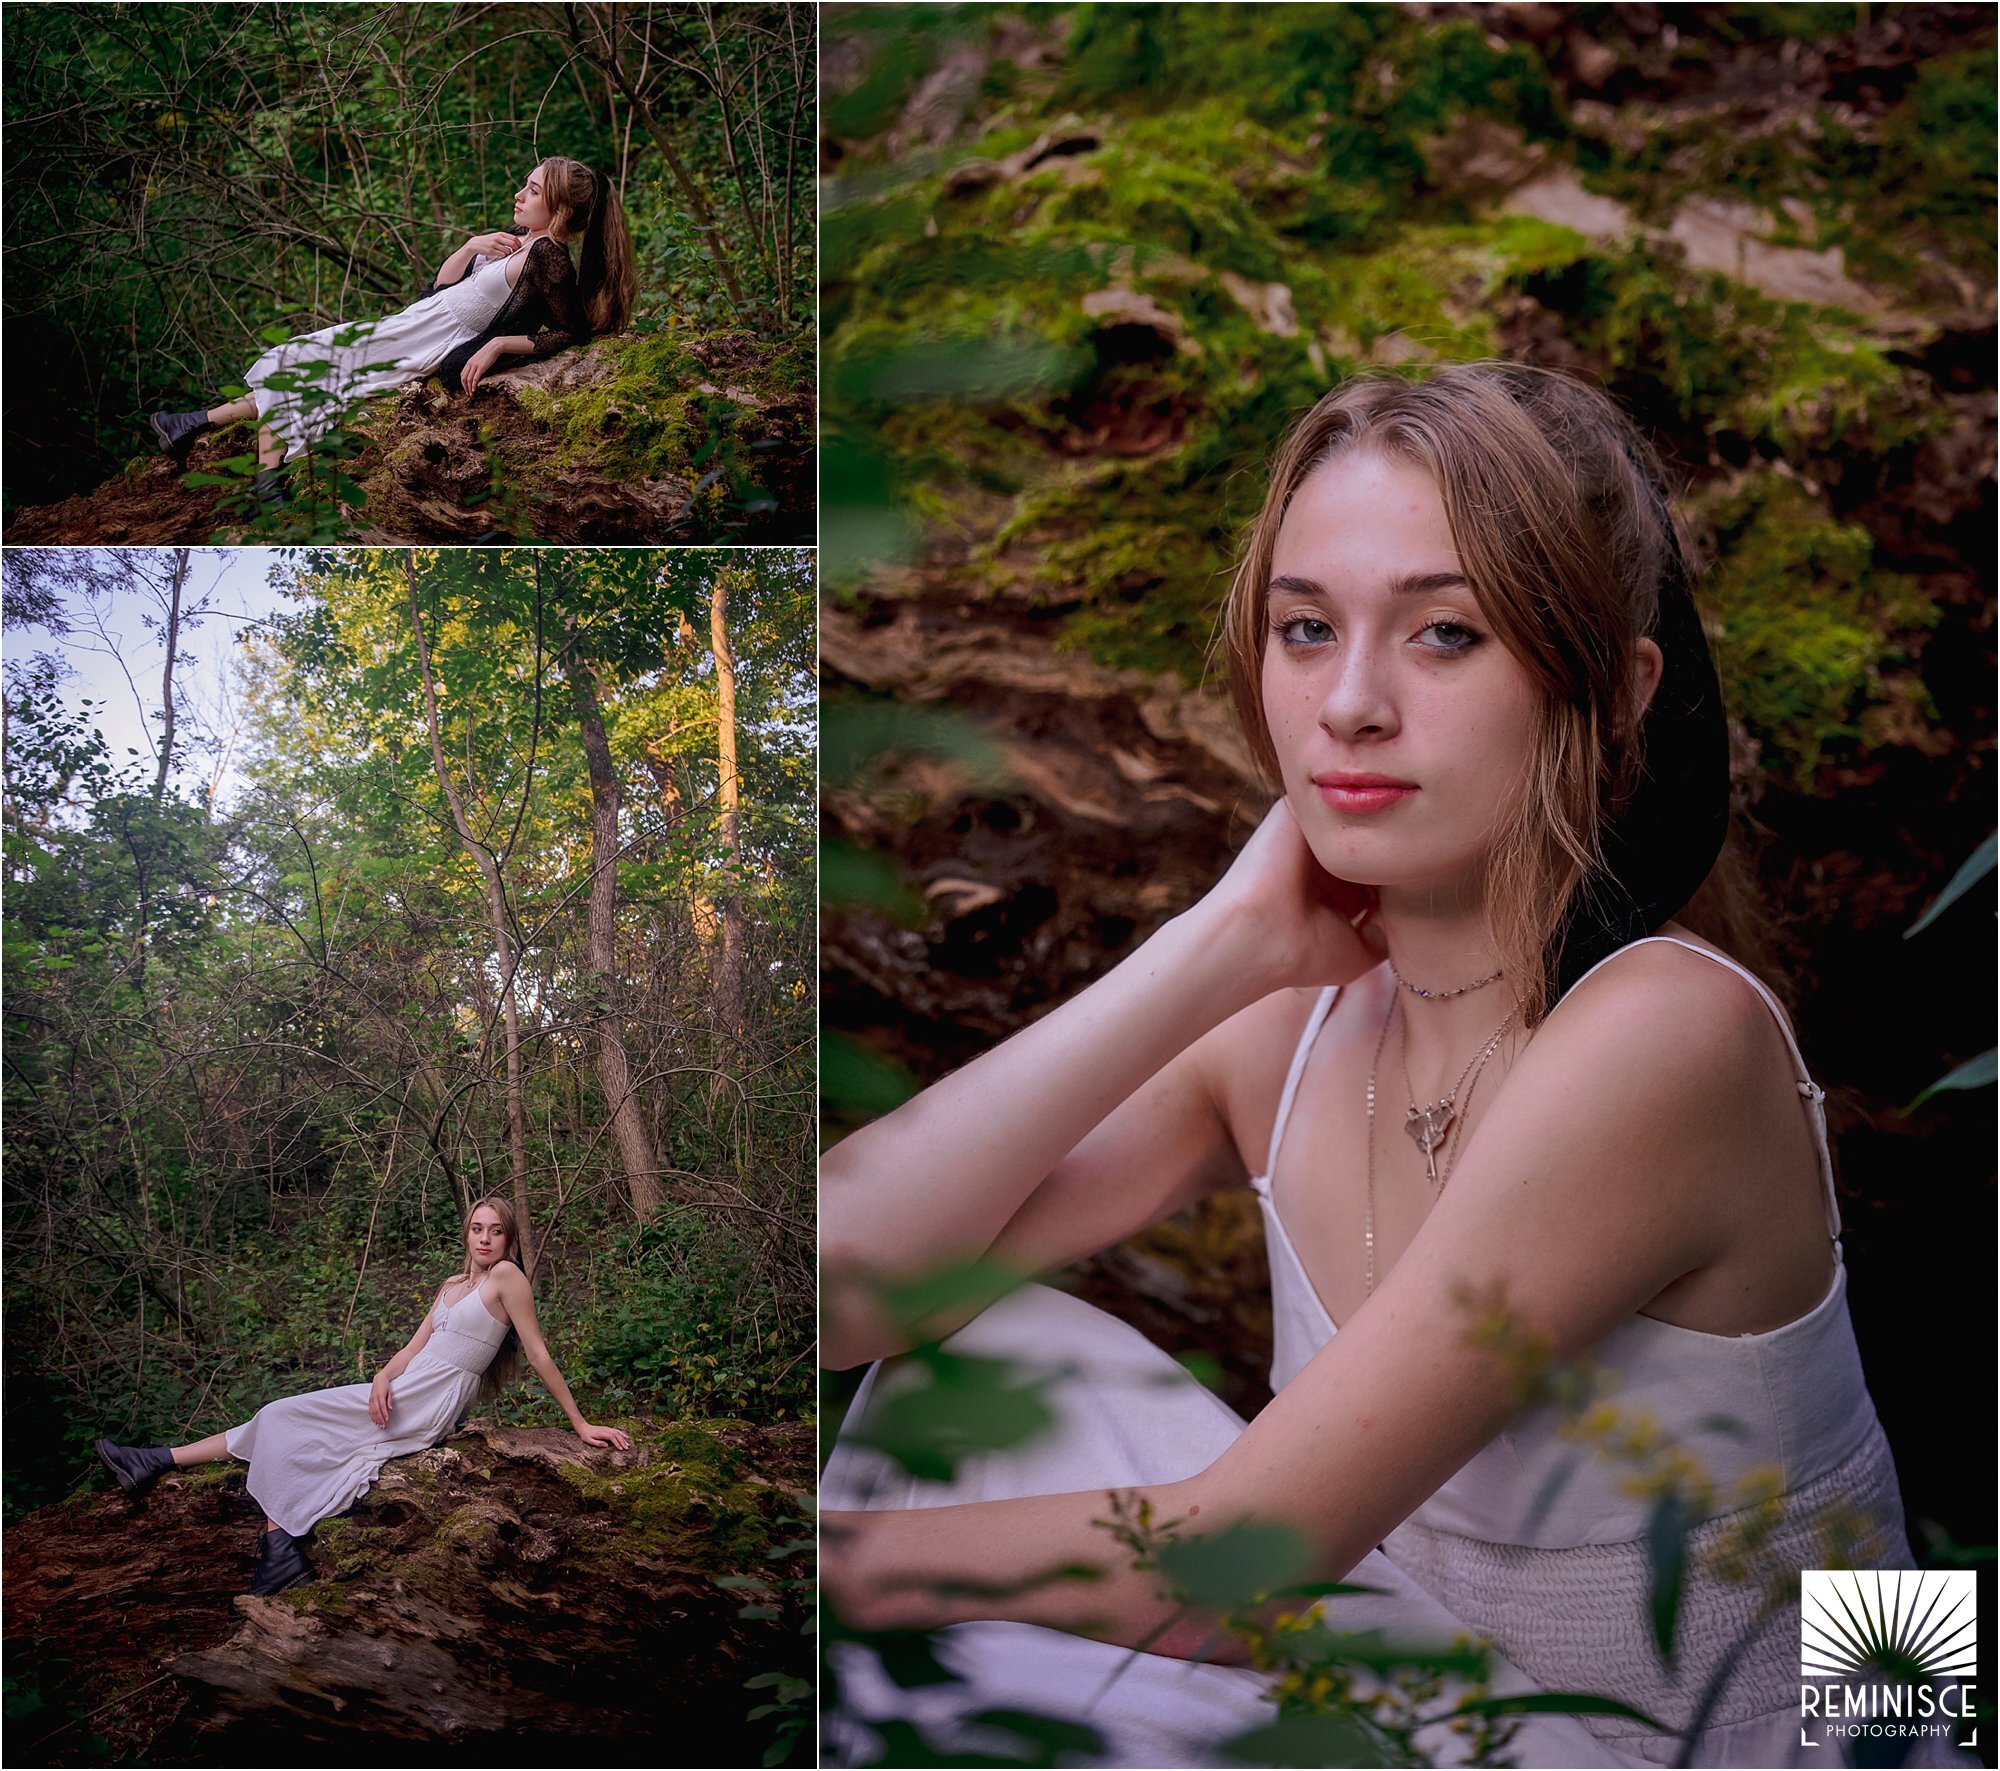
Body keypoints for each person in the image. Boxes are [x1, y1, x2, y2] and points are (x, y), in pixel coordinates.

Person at [820, 362, 1915, 1768]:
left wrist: (822, 1573)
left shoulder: (1671, 1028)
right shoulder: (1292, 1021)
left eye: (1446, 632)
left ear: (1618, 685)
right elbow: (848, 1287)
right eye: (1304, 627)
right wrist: (1214, 945)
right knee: (975, 1346)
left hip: (1774, 1752)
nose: (1348, 703)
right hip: (1450, 1695)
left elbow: (1240, 1557)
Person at [95, 1194, 632, 1597]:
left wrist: (581, 1424)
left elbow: (537, 1352)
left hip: (429, 1401)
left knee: (288, 1420)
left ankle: (272, 1539)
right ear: (466, 1235)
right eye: (476, 1229)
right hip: (403, 1386)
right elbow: (411, 1347)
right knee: (279, 1416)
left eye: (495, 1231)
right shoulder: (451, 1286)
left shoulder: (508, 1277)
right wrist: (380, 1377)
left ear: (510, 1241)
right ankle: (161, 1464)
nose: (485, 1239)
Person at [147, 157, 635, 509]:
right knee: (301, 366)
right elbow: (435, 293)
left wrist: (499, 344)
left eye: (532, 190)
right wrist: (469, 246)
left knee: (296, 361)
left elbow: (572, 332)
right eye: (524, 186)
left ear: (562, 209)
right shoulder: (515, 243)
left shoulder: (547, 255)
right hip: (412, 323)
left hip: (427, 341)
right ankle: (194, 428)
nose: (518, 194)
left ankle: (260, 479)